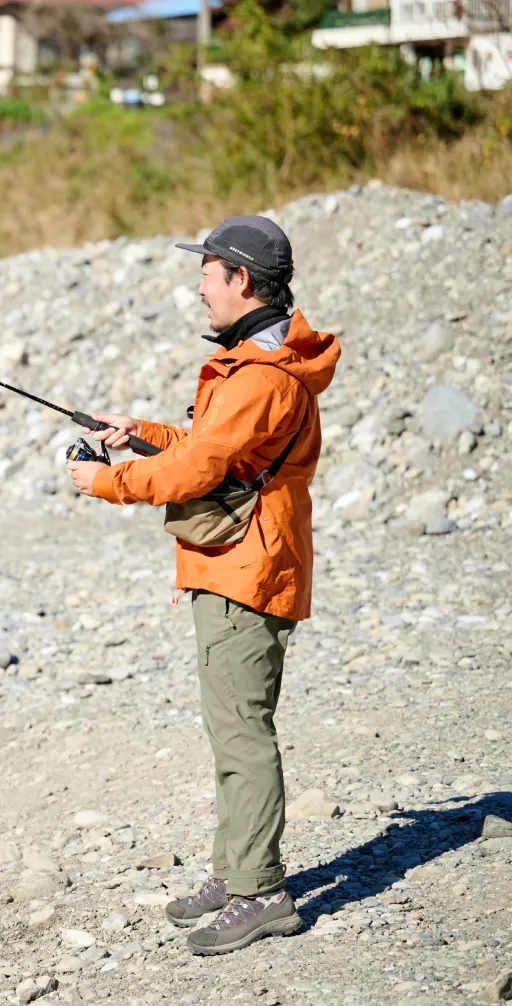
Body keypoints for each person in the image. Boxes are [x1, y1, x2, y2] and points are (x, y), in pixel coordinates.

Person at [66, 215, 341, 955]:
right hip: (247, 558)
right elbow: (215, 449)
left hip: (245, 568)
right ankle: (236, 869)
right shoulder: (265, 358)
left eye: (208, 274)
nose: (199, 289)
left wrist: (107, 480)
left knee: (243, 732)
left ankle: (263, 894)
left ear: (241, 280)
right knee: (232, 726)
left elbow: (198, 474)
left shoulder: (259, 374)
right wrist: (147, 432)